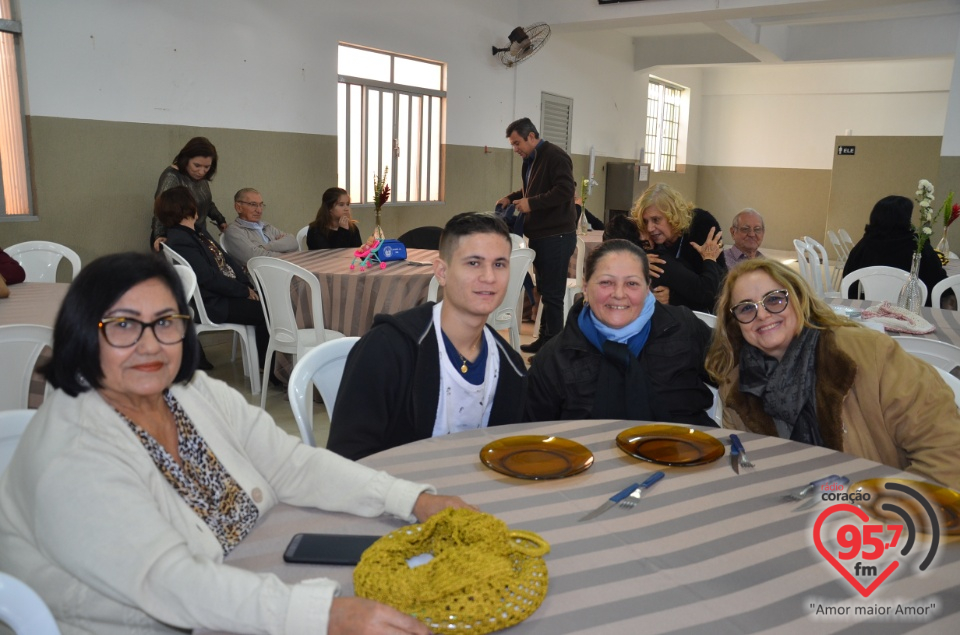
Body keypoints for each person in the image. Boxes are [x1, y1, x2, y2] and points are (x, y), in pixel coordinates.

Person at [0, 252, 471, 635]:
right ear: (82, 334)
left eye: (166, 322)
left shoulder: (189, 394)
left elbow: (292, 465)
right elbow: (168, 583)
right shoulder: (72, 455)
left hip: (241, 584)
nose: (150, 345)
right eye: (123, 325)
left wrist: (412, 498)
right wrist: (321, 615)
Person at [705, 258, 960, 490]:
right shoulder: (738, 389)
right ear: (736, 322)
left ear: (798, 299)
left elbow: (946, 451)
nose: (761, 314)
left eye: (774, 299)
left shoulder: (869, 354)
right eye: (746, 308)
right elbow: (746, 473)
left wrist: (883, 513)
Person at [327, 212, 527, 460]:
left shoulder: (511, 368)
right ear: (442, 272)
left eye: (499, 264)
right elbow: (345, 456)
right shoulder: (388, 349)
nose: (489, 277)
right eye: (473, 263)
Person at [525, 239, 716, 426]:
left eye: (632, 284)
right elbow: (532, 436)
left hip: (687, 451)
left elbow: (733, 370)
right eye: (606, 282)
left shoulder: (681, 327)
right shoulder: (555, 357)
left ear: (647, 287)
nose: (618, 294)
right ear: (585, 287)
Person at [156, 186, 269, 367]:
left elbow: (227, 259)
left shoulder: (197, 231)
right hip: (214, 302)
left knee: (272, 303)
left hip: (226, 293)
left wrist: (246, 285)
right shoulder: (180, 240)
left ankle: (267, 363)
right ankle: (269, 367)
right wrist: (243, 291)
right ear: (188, 206)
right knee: (268, 312)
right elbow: (207, 277)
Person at [496, 117, 577, 354]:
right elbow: (532, 188)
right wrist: (511, 198)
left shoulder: (556, 156)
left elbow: (564, 191)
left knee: (553, 295)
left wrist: (532, 204)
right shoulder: (531, 159)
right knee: (544, 290)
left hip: (558, 235)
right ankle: (544, 340)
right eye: (512, 144)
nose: (515, 149)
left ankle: (553, 350)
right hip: (541, 235)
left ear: (531, 136)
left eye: (517, 143)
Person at [633, 183, 726, 313]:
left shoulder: (701, 225)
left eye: (656, 220)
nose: (650, 228)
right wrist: (638, 261)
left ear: (672, 215)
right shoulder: (647, 240)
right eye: (645, 221)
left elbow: (716, 288)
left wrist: (675, 299)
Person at [842, 195, 948, 307]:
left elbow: (849, 278)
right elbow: (937, 279)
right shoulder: (918, 246)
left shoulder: (864, 245)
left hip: (868, 307)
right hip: (910, 310)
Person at [151, 137, 228, 252]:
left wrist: (220, 219)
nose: (202, 172)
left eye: (207, 167)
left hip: (198, 233)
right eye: (197, 166)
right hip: (177, 236)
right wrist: (159, 235)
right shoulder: (172, 177)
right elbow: (161, 209)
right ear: (186, 160)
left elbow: (206, 201)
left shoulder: (201, 178)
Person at [222, 188, 299, 264]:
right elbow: (255, 258)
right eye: (253, 205)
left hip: (283, 269)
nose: (259, 210)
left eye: (261, 205)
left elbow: (293, 242)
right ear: (238, 207)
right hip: (260, 275)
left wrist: (264, 247)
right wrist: (284, 251)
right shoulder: (233, 231)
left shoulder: (266, 226)